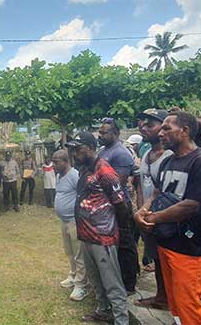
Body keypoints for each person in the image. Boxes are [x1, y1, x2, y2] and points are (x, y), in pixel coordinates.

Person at [134, 111, 201, 325]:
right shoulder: (170, 161)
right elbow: (157, 192)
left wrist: (153, 218)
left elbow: (192, 205)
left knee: (189, 304)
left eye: (166, 128)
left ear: (185, 131)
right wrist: (143, 209)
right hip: (167, 241)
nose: (160, 133)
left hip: (190, 246)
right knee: (175, 302)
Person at [66, 132, 129, 325]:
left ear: (91, 148)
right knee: (96, 280)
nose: (75, 153)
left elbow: (121, 204)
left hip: (103, 237)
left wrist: (120, 232)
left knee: (112, 283)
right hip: (86, 235)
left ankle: (121, 320)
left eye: (79, 149)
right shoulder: (85, 169)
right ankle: (103, 311)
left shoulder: (105, 171)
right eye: (73, 149)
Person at [133, 109, 172, 311]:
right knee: (156, 258)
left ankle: (173, 302)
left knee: (168, 263)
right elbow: (141, 184)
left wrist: (153, 214)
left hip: (164, 217)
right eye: (142, 124)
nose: (144, 127)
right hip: (146, 215)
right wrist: (141, 209)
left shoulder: (171, 155)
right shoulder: (146, 153)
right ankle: (161, 297)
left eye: (150, 124)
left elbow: (164, 192)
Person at [98, 118, 139, 294]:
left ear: (115, 134)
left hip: (120, 205)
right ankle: (117, 277)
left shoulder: (120, 153)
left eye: (104, 132)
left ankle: (129, 283)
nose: (100, 135)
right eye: (99, 132)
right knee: (113, 243)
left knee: (125, 244)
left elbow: (117, 183)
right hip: (107, 205)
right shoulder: (104, 150)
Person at [51, 149, 88, 301]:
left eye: (56, 162)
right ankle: (73, 276)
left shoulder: (75, 175)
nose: (53, 165)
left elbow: (82, 196)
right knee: (70, 252)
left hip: (74, 221)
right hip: (64, 221)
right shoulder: (59, 175)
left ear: (66, 161)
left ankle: (81, 284)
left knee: (79, 253)